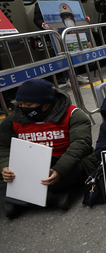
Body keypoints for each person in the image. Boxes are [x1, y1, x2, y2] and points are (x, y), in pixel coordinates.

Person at [0, 79, 93, 218]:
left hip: (61, 163)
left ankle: (17, 200)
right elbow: (3, 146)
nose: (24, 108)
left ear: (46, 103)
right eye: (20, 104)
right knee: (4, 177)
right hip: (28, 167)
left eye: (29, 104)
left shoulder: (73, 114)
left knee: (77, 170)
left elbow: (81, 144)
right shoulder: (14, 119)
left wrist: (60, 170)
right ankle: (53, 199)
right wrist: (5, 167)